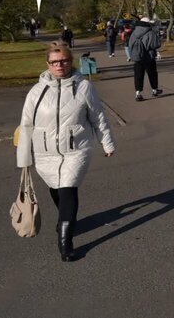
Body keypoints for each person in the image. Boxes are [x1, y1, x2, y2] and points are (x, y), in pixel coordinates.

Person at [15, 42, 116, 261]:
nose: (60, 65)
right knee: (57, 190)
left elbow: (98, 118)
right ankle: (67, 219)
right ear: (47, 64)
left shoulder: (84, 87)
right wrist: (24, 158)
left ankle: (65, 242)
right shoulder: (37, 91)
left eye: (64, 61)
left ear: (72, 62)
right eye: (55, 62)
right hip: (45, 152)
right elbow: (26, 126)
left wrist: (107, 143)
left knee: (68, 189)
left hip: (75, 150)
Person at [128, 17, 163, 101]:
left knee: (138, 75)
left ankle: (138, 93)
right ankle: (154, 90)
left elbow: (130, 45)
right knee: (152, 74)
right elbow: (156, 44)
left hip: (137, 57)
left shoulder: (134, 32)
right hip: (149, 57)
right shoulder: (150, 32)